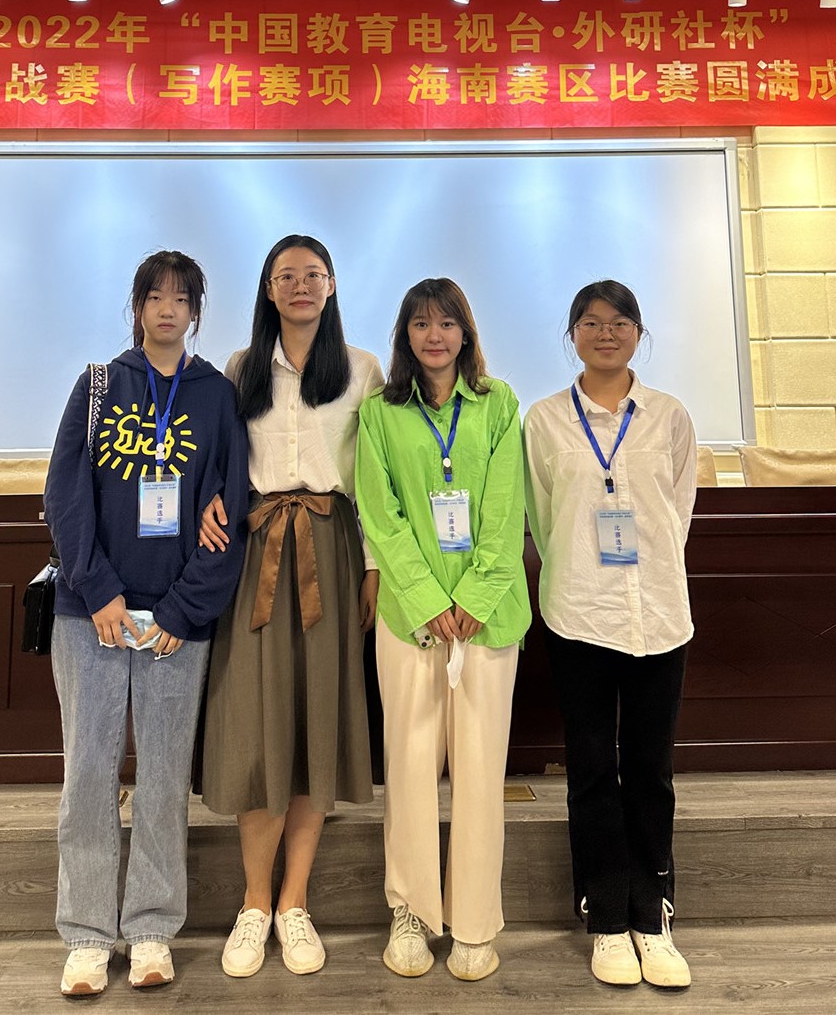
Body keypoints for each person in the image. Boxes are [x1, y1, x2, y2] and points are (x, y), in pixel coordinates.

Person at [44, 249, 248, 998]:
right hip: (90, 615)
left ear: (196, 311)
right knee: (88, 774)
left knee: (163, 777)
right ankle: (87, 935)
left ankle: (153, 927)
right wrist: (97, 591)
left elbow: (232, 508)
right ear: (136, 308)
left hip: (173, 623)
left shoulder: (215, 396)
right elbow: (64, 495)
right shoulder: (100, 385)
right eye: (154, 296)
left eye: (181, 298)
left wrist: (184, 609)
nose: (167, 309)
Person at [199, 234, 384, 977]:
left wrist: (371, 567)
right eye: (286, 276)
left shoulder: (363, 370)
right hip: (258, 552)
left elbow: (374, 479)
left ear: (332, 285)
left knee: (317, 719)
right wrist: (210, 504)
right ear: (268, 290)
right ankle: (252, 904)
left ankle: (294, 901)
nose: (300, 285)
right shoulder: (240, 368)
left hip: (332, 550)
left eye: (312, 274)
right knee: (257, 722)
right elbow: (218, 461)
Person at [355, 278, 531, 984]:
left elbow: (505, 508)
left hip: (487, 620)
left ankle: (474, 921)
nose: (435, 336)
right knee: (408, 769)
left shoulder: (498, 404)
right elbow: (381, 514)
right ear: (405, 335)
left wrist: (475, 597)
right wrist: (429, 599)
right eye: (421, 324)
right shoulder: (379, 413)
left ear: (465, 333)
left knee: (482, 773)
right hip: (409, 620)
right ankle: (411, 912)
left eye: (447, 323)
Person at [522, 280, 696, 991]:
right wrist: (579, 573)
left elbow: (677, 510)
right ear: (572, 335)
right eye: (591, 323)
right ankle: (605, 916)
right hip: (579, 613)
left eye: (619, 322)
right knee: (591, 769)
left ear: (638, 334)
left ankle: (652, 914)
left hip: (658, 613)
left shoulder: (669, 416)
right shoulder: (543, 420)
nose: (605, 333)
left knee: (651, 770)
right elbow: (541, 517)